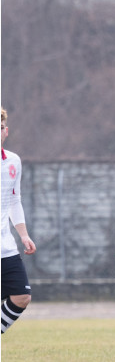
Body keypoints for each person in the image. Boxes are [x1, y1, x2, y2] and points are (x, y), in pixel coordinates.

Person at [1, 107, 37, 334]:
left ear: (6, 131)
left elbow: (14, 201)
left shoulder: (13, 161)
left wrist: (24, 235)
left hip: (5, 248)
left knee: (22, 296)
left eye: (0, 128)